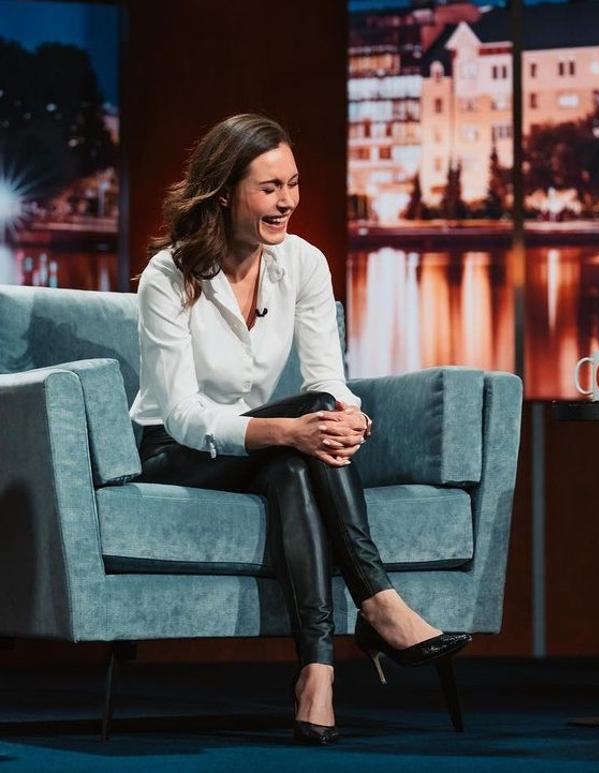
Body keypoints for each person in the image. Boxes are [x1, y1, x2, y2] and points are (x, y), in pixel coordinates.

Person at [130, 113, 470, 746]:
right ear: (224, 192)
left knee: (298, 457)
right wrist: (294, 428)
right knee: (299, 433)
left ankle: (317, 674)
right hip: (175, 450)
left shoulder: (304, 262)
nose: (286, 200)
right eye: (269, 187)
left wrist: (350, 417)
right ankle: (380, 603)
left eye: (293, 184)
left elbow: (329, 378)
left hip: (259, 449)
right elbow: (182, 415)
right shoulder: (168, 276)